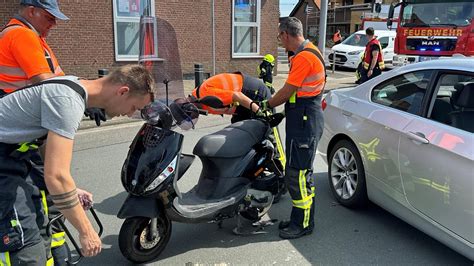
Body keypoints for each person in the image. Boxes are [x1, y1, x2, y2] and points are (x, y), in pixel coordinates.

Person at [0, 65, 154, 265]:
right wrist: (86, 231)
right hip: (6, 165)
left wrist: (71, 189)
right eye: (134, 108)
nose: (129, 114)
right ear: (123, 92)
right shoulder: (67, 101)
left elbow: (48, 156)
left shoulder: (72, 87)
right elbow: (56, 176)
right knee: (24, 245)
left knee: (40, 226)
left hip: (13, 161)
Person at [259, 17, 324, 239]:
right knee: (301, 172)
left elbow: (288, 90)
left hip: (305, 122)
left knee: (298, 175)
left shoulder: (305, 57)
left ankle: (303, 224)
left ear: (286, 34)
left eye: (279, 36)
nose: (280, 41)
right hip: (304, 119)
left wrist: (266, 105)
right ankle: (300, 218)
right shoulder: (307, 51)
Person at [0, 0, 106, 125]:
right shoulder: (22, 34)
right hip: (22, 116)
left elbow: (57, 77)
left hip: (17, 112)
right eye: (49, 18)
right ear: (31, 11)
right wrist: (84, 96)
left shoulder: (24, 34)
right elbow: (45, 81)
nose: (54, 24)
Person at [189, 72, 272, 123]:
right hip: (242, 99)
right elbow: (229, 110)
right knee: (238, 130)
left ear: (190, 106)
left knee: (263, 127)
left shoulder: (205, 94)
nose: (193, 117)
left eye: (190, 116)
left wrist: (259, 111)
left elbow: (237, 96)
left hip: (254, 92)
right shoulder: (202, 105)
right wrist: (229, 108)